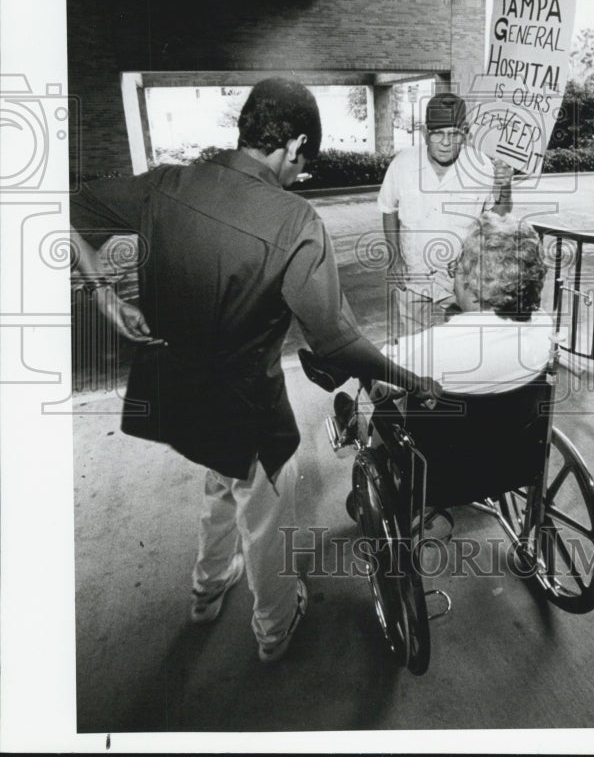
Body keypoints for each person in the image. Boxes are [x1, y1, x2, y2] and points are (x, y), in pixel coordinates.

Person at [70, 77, 438, 664]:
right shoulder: (295, 221)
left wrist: (103, 294)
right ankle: (274, 627)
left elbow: (63, 208)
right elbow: (336, 341)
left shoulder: (166, 183)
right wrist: (412, 379)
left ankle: (207, 589)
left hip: (176, 395)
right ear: (295, 146)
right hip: (248, 410)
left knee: (220, 479)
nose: (300, 176)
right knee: (267, 520)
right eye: (304, 164)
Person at [377, 91, 515, 339]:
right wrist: (394, 258)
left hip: (461, 283)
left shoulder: (482, 166)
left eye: (454, 134)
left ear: (465, 133)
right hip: (413, 278)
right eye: (437, 133)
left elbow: (498, 218)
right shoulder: (402, 164)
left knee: (460, 345)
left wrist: (505, 186)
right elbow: (388, 209)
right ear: (424, 133)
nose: (445, 142)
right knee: (417, 347)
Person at [380, 212, 554, 395]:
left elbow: (381, 381)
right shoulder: (544, 327)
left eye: (457, 266)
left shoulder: (428, 349)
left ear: (470, 281)